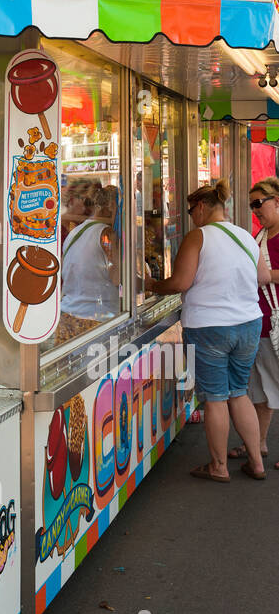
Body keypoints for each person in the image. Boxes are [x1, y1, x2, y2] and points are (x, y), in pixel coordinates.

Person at [145, 179, 265, 482]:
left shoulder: (198, 236)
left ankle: (219, 466)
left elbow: (180, 283)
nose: (190, 216)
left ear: (200, 207)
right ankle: (256, 462)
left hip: (210, 326)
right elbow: (263, 277)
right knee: (238, 392)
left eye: (189, 210)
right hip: (249, 323)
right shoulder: (246, 236)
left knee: (214, 398)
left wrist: (151, 285)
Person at [237, 177, 279, 468]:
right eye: (251, 204)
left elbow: (265, 275)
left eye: (258, 203)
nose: (255, 209)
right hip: (260, 323)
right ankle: (258, 443)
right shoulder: (261, 235)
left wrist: (267, 275)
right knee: (260, 390)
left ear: (276, 201)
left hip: (273, 323)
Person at [56, 183, 120, 344]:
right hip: (96, 320)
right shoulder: (106, 234)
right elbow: (116, 278)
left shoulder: (74, 233)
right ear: (112, 206)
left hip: (68, 316)